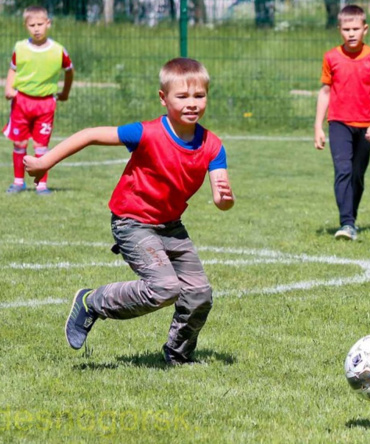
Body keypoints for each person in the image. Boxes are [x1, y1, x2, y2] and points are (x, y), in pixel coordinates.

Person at [24, 58, 235, 365]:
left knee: (200, 293)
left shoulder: (213, 146)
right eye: (182, 96)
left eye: (199, 96)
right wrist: (45, 162)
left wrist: (225, 199)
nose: (192, 104)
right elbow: (91, 134)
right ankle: (92, 301)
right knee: (164, 288)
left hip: (170, 225)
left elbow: (222, 196)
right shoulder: (146, 133)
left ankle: (178, 355)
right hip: (132, 222)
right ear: (163, 98)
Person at [314, 4, 370, 241]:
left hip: (366, 125)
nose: (351, 33)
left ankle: (350, 219)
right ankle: (346, 223)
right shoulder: (331, 57)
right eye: (346, 29)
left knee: (357, 175)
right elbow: (325, 92)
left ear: (365, 29)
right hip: (338, 123)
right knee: (343, 170)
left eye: (356, 28)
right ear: (339, 30)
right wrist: (318, 127)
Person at [3, 5, 74, 195]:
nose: (36, 28)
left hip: (45, 104)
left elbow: (69, 71)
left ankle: (41, 184)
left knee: (41, 145)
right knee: (19, 144)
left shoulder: (58, 50)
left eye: (40, 24)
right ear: (26, 26)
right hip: (21, 102)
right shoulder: (20, 47)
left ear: (48, 24)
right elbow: (13, 68)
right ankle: (18, 182)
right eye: (32, 24)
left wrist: (65, 92)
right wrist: (9, 87)